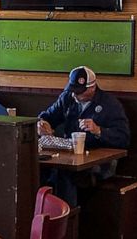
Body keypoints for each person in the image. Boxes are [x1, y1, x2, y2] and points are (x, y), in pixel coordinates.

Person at [37, 66, 130, 205]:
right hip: (70, 157)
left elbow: (124, 138)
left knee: (65, 173)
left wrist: (98, 130)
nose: (74, 95)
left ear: (92, 88)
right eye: (72, 90)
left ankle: (66, 220)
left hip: (101, 163)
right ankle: (43, 217)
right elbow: (48, 116)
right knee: (39, 170)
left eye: (78, 91)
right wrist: (42, 123)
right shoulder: (67, 98)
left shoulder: (110, 105)